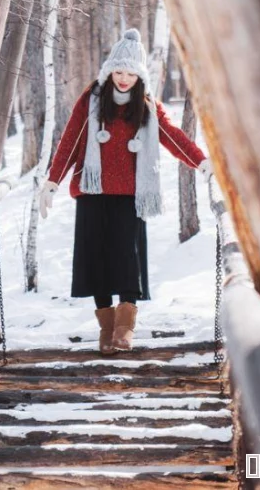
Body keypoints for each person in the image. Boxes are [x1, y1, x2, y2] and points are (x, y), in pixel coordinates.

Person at [39, 28, 211, 354]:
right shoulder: (91, 101)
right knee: (96, 260)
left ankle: (124, 328)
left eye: (130, 73)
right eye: (118, 71)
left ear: (139, 75)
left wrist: (201, 162)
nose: (123, 78)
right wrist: (52, 181)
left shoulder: (146, 106)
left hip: (131, 196)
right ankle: (107, 330)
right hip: (92, 193)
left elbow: (173, 137)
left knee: (127, 259)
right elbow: (71, 141)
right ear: (109, 71)